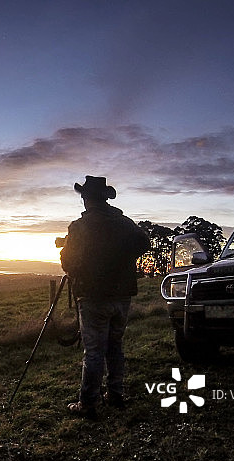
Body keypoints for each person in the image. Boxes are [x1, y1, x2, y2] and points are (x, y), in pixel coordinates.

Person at [60, 175, 150, 419]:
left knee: (94, 351)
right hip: (122, 295)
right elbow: (144, 242)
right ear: (105, 198)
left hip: (93, 296)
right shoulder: (124, 222)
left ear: (86, 199)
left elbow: (67, 262)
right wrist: (123, 256)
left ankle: (88, 403)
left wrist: (77, 259)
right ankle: (115, 394)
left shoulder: (80, 227)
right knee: (115, 346)